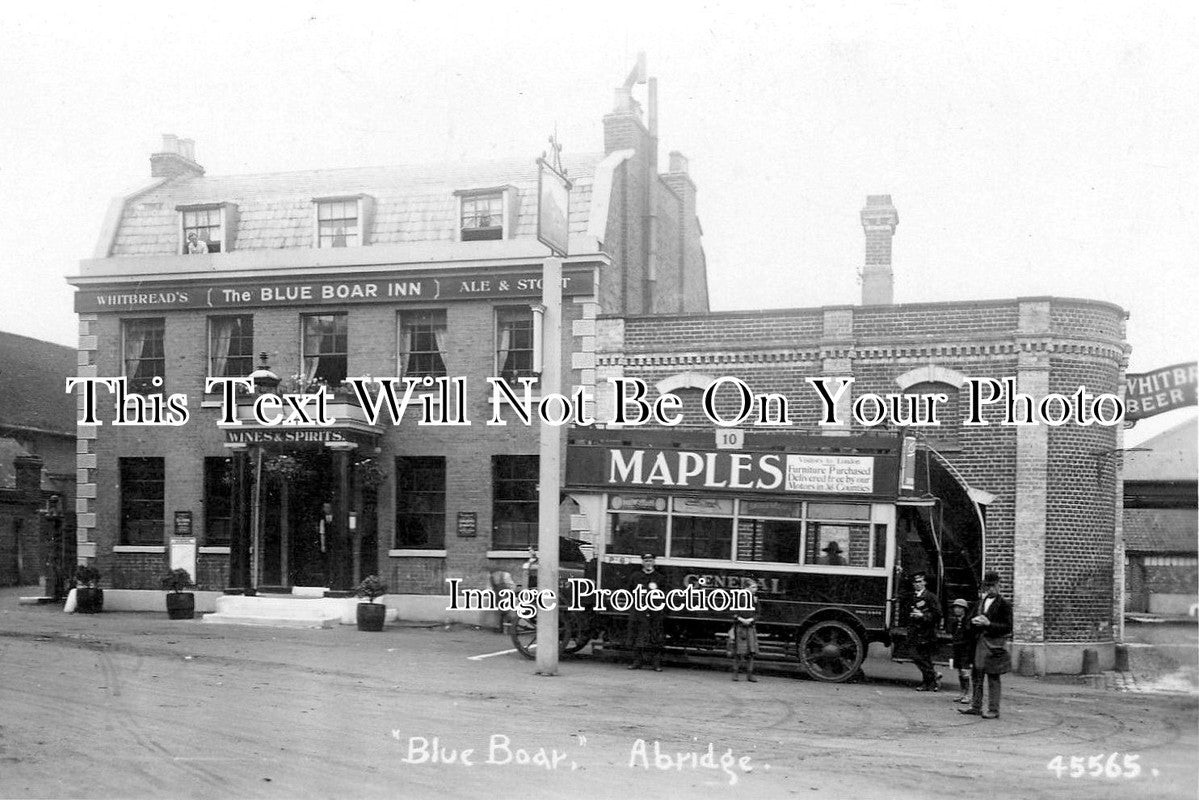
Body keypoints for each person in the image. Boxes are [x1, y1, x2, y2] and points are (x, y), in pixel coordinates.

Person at [958, 571, 1012, 720]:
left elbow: (1008, 627)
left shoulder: (1004, 605)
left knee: (993, 676)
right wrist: (973, 622)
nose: (990, 589)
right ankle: (976, 706)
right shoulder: (979, 603)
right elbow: (967, 621)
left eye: (993, 586)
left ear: (999, 585)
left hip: (995, 644)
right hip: (978, 644)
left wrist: (988, 624)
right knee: (977, 675)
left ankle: (994, 709)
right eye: (988, 586)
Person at [626, 553, 669, 671]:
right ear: (642, 563)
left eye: (650, 561)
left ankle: (656, 664)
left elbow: (664, 595)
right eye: (646, 561)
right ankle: (637, 662)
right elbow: (629, 592)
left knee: (655, 637)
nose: (648, 563)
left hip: (654, 612)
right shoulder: (635, 576)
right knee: (638, 637)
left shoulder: (659, 578)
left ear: (654, 562)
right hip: (639, 611)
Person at [907, 571, 942, 691]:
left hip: (926, 632)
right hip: (914, 632)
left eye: (920, 581)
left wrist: (922, 615)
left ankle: (929, 682)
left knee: (924, 657)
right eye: (915, 582)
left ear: (925, 583)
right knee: (916, 656)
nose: (917, 584)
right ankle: (933, 677)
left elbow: (937, 614)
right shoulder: (913, 596)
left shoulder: (930, 597)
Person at [728, 582, 760, 682]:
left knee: (751, 652)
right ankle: (735, 674)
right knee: (738, 652)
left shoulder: (755, 600)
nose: (755, 589)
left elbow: (758, 613)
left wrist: (751, 620)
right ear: (746, 588)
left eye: (756, 587)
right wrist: (741, 619)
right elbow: (733, 612)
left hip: (750, 627)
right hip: (740, 627)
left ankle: (750, 675)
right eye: (753, 587)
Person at [946, 598, 973, 703]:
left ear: (964, 609)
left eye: (959, 608)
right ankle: (962, 692)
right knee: (959, 671)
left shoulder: (968, 622)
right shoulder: (954, 622)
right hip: (957, 648)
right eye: (955, 607)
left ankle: (968, 694)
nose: (956, 610)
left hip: (966, 649)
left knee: (965, 671)